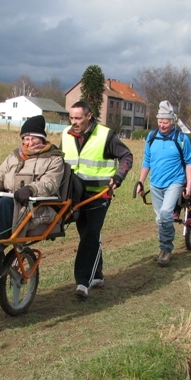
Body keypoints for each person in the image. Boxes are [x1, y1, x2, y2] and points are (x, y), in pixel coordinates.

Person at [0, 115, 65, 278]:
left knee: (4, 203)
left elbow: (50, 183)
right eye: (26, 138)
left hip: (33, 205)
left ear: (42, 140)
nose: (29, 143)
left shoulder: (54, 159)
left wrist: (31, 189)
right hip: (9, 198)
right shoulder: (14, 156)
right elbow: (0, 173)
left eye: (33, 139)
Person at [62, 100, 133, 298]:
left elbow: (127, 156)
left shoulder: (105, 135)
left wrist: (118, 177)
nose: (73, 121)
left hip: (99, 194)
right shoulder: (66, 134)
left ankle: (83, 282)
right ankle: (98, 274)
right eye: (71, 117)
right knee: (86, 233)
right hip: (74, 195)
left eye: (78, 118)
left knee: (90, 234)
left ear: (89, 116)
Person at [137, 101, 191, 267]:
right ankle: (163, 248)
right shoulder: (151, 137)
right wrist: (140, 181)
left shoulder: (182, 139)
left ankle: (167, 249)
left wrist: (189, 185)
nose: (162, 124)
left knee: (165, 214)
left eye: (166, 121)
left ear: (173, 121)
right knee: (159, 219)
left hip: (174, 182)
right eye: (160, 121)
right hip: (155, 183)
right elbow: (147, 160)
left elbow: (189, 163)